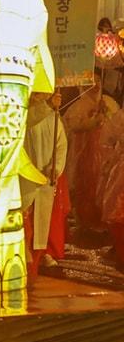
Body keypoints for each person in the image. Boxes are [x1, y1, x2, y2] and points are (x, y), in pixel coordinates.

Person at [22, 89, 69, 273]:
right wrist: (48, 106)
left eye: (42, 94)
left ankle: (42, 253)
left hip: (46, 177)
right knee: (26, 217)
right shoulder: (25, 115)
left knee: (43, 218)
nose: (39, 98)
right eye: (36, 94)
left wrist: (55, 168)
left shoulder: (54, 118)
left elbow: (61, 145)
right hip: (26, 176)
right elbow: (30, 120)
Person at [64, 76, 118, 230]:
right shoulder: (77, 106)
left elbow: (116, 127)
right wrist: (92, 120)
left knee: (103, 186)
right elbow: (71, 127)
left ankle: (102, 221)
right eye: (90, 83)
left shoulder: (109, 102)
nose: (94, 86)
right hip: (83, 155)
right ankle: (85, 221)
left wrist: (105, 114)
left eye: (97, 83)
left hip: (105, 155)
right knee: (85, 186)